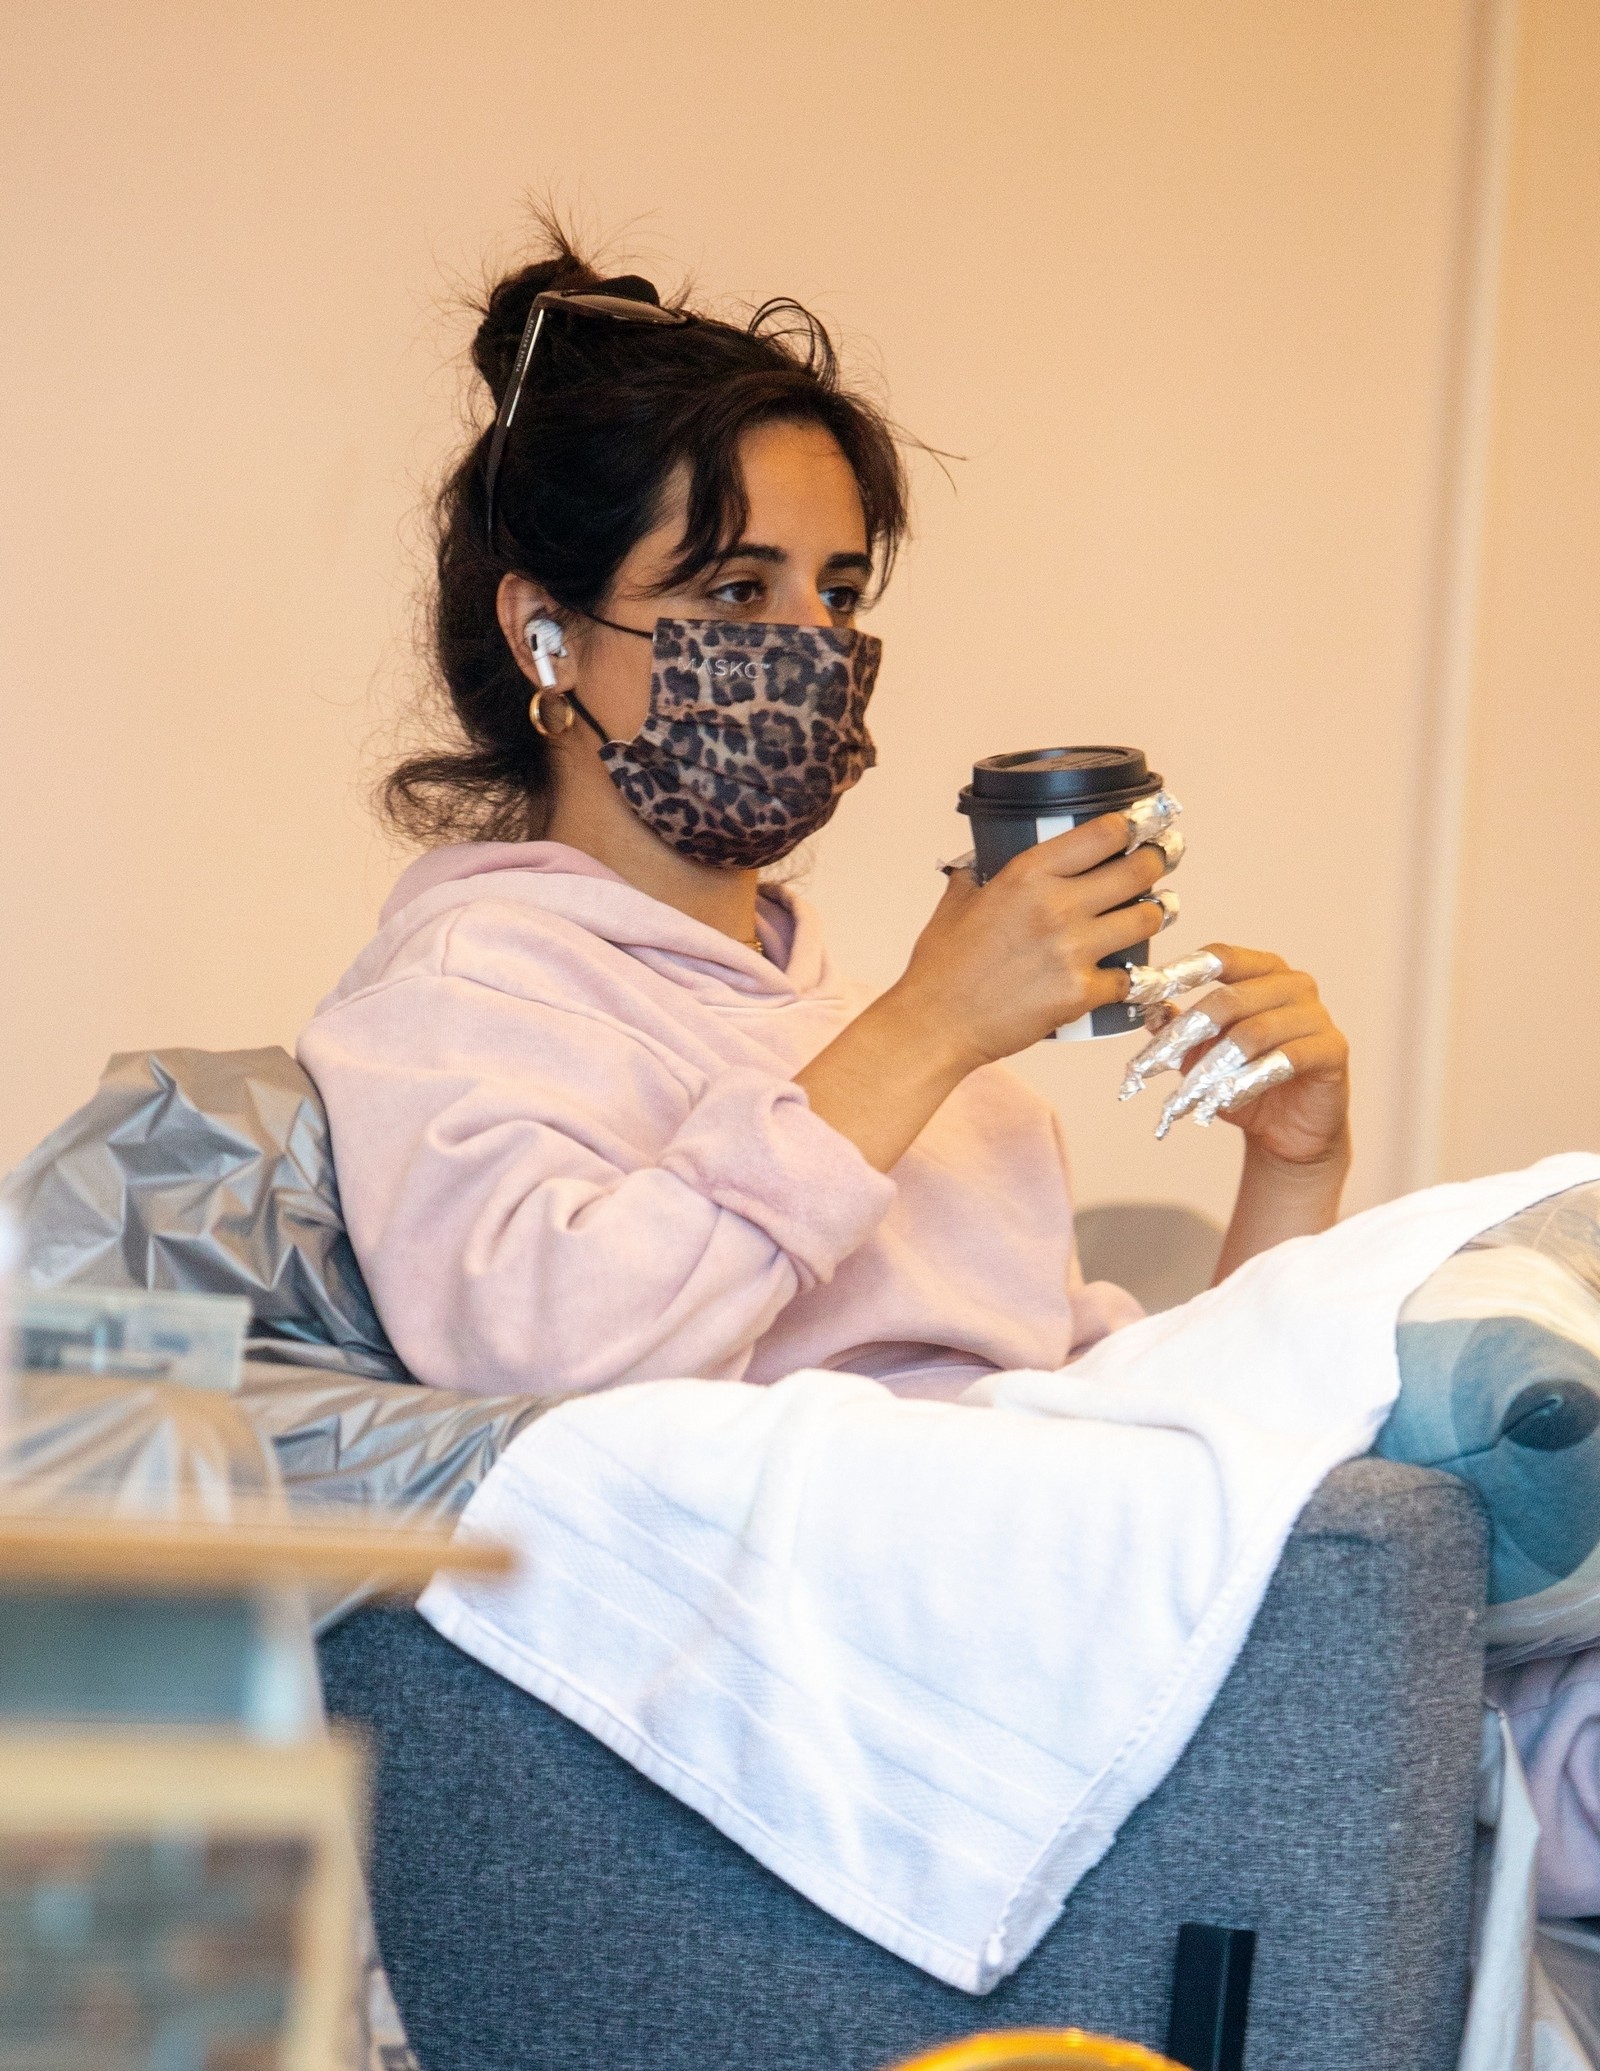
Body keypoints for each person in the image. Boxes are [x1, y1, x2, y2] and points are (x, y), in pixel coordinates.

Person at [299, 232, 1351, 1400]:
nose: (814, 642)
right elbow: (542, 1365)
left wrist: (1292, 1170)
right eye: (737, 589)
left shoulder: (951, 1084)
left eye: (839, 593)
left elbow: (1153, 1444)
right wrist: (932, 1023)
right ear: (545, 634)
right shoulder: (457, 1002)